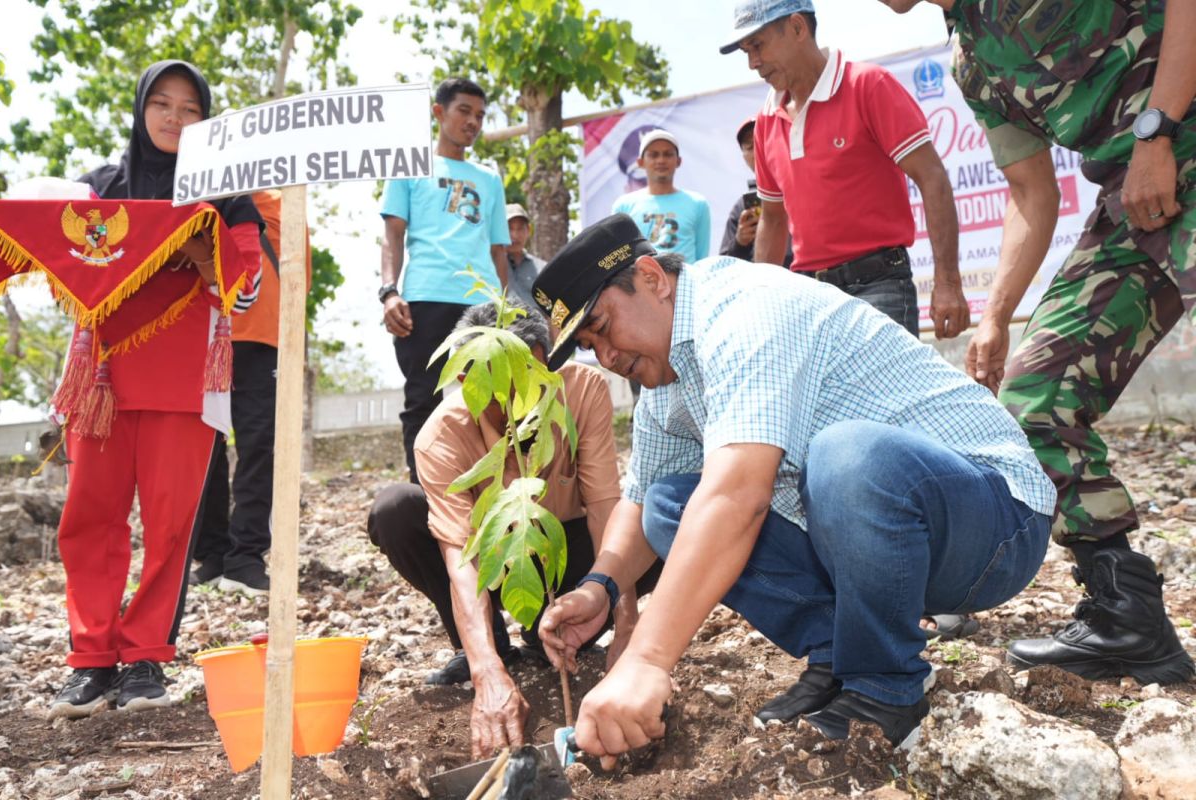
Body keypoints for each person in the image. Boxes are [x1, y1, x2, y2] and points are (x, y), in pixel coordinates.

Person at [531, 214, 1056, 756]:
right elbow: (642, 502)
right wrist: (601, 588)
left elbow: (738, 495)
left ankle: (885, 685)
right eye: (591, 347)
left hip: (993, 522)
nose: (608, 357)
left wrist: (645, 660)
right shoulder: (667, 374)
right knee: (671, 506)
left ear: (652, 278)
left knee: (845, 455)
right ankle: (840, 653)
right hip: (882, 543)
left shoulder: (744, 310)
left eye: (602, 326)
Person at [876, 0, 1195, 684]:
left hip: (1174, 142)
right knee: (1034, 398)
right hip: (1135, 200)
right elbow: (1029, 189)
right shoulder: (971, 62)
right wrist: (996, 316)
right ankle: (1126, 617)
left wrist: (1158, 130)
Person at [49, 60, 263, 719]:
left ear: (205, 119)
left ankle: (145, 657)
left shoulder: (228, 192)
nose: (174, 117)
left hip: (185, 381)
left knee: (170, 528)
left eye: (189, 108)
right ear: (141, 110)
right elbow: (59, 262)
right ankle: (90, 663)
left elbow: (248, 285)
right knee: (88, 520)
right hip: (101, 381)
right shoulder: (99, 186)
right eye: (162, 104)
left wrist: (204, 255)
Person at [366, 300, 659, 758]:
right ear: (466, 380)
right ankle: (490, 650)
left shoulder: (582, 390)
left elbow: (605, 507)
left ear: (545, 361)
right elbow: (461, 559)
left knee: (656, 516)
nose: (522, 402)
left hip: (573, 562)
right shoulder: (441, 436)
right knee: (395, 509)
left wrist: (627, 631)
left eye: (531, 380)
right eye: (503, 388)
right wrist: (487, 675)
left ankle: (565, 637)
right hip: (495, 566)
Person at [723, 0, 969, 342]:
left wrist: (948, 283)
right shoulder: (765, 121)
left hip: (881, 284)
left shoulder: (868, 84)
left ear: (797, 28)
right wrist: (763, 307)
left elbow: (932, 178)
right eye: (746, 51)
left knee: (888, 397)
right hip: (810, 297)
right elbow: (774, 220)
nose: (753, 63)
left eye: (758, 46)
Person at [379, 77, 510, 484]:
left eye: (480, 116)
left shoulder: (490, 179)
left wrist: (504, 307)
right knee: (423, 401)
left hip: (482, 304)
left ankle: (496, 494)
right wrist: (389, 293)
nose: (473, 122)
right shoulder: (407, 165)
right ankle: (425, 499)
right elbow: (392, 236)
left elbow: (498, 251)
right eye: (464, 111)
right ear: (439, 112)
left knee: (496, 400)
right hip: (426, 296)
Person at [190, 189, 312, 595]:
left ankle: (246, 556)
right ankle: (212, 552)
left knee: (259, 445)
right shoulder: (199, 195)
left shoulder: (285, 201)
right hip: (203, 334)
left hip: (262, 339)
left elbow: (300, 279)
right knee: (204, 446)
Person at [611, 129, 712, 263]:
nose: (661, 160)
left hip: (686, 282)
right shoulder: (623, 206)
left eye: (668, 154)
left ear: (678, 161)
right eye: (653, 155)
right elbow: (618, 259)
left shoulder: (697, 203)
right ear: (640, 162)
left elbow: (702, 259)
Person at [719, 118, 792, 268]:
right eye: (750, 146)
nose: (758, 150)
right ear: (744, 156)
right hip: (767, 285)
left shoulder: (803, 187)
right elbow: (724, 267)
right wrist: (740, 242)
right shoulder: (741, 208)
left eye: (762, 141)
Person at [504, 203, 545, 308]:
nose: (515, 235)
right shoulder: (491, 266)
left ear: (529, 230)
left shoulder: (542, 268)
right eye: (509, 228)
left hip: (535, 323)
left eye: (520, 228)